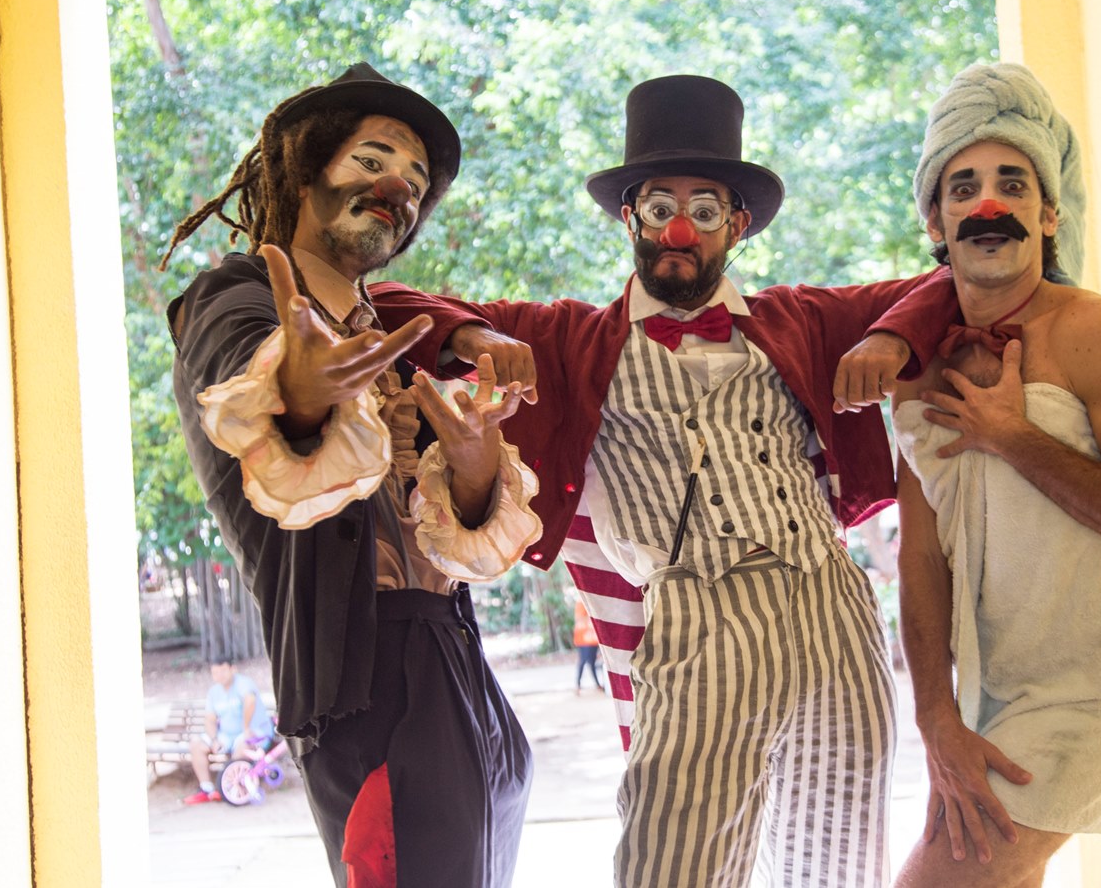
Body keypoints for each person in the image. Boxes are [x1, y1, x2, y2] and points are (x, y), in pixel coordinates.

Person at [371, 75, 961, 888]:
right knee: (668, 866)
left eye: (705, 208)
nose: (679, 227)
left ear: (737, 224)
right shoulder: (567, 338)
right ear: (631, 217)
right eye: (659, 206)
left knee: (833, 863)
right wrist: (473, 332)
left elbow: (952, 282)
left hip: (831, 608)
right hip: (692, 617)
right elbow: (384, 302)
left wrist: (890, 339)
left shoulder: (805, 319)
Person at [164, 63, 542, 888]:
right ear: (306, 168)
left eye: (413, 179)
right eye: (372, 160)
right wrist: (299, 394)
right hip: (370, 682)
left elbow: (447, 532)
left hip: (455, 661)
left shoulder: (385, 335)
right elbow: (255, 393)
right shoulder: (235, 299)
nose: (397, 186)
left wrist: (473, 464)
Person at [886, 63, 1101, 888]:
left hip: (1096, 687)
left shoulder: (1099, 330)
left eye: (1011, 182)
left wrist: (1012, 437)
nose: (988, 203)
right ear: (935, 218)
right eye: (963, 186)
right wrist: (935, 717)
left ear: (1047, 212)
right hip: (989, 693)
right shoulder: (915, 370)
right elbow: (920, 559)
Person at [182, 656, 276, 805]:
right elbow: (210, 719)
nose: (219, 675)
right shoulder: (214, 692)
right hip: (226, 735)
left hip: (254, 732)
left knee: (243, 747)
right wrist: (214, 739)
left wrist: (246, 729)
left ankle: (233, 787)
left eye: (223, 671)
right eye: (215, 672)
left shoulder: (244, 684)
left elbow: (250, 702)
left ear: (232, 669)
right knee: (196, 745)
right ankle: (207, 789)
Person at [571, 598, 603, 693]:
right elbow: (579, 618)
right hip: (584, 639)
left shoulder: (590, 600)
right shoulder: (581, 602)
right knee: (583, 661)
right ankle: (578, 685)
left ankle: (596, 684)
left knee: (592, 662)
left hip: (592, 638)